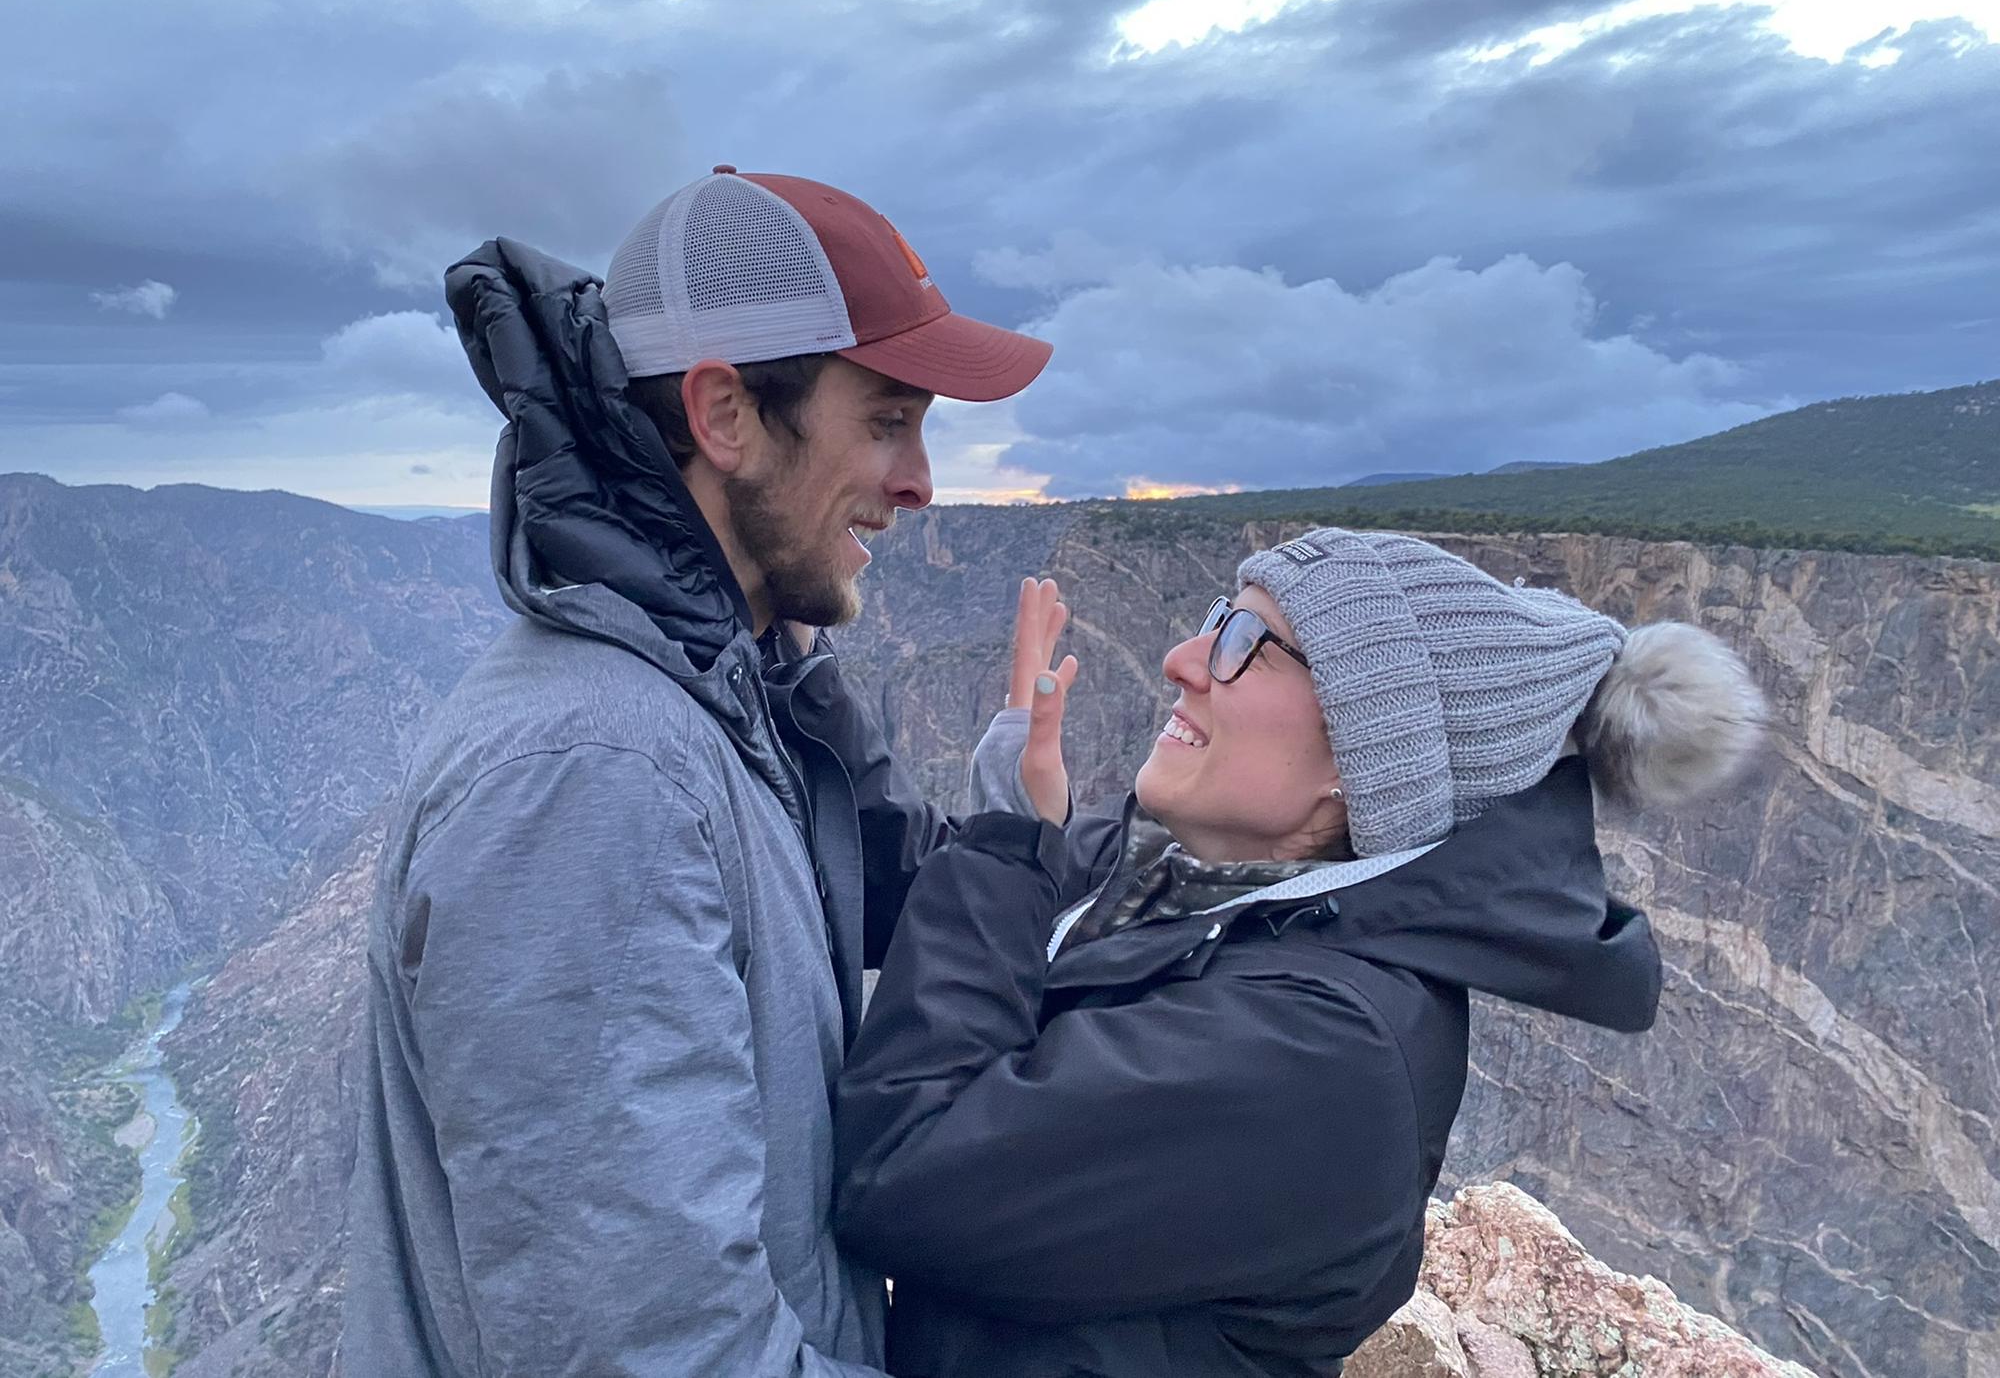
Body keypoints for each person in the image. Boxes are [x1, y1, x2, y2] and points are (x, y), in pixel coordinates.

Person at [344, 167, 1053, 1377]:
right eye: (887, 417)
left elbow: (896, 882)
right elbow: (657, 1355)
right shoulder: (593, 776)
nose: (922, 480)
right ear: (724, 415)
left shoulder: (727, 700)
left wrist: (1019, 814)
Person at [835, 529, 1769, 1377]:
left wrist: (1008, 835)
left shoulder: (1330, 1053)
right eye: (1215, 622)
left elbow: (906, 1167)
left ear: (1361, 758)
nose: (1181, 661)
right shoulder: (1206, 891)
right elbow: (942, 890)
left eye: (1246, 644)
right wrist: (786, 650)